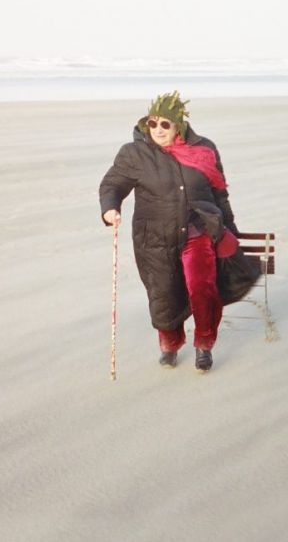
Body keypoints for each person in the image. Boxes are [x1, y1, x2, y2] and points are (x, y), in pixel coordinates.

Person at [99, 91, 255, 373]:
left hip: (198, 232)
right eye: (152, 123)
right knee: (164, 293)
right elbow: (112, 184)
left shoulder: (205, 150)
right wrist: (110, 208)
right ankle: (170, 345)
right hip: (154, 238)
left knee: (202, 288)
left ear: (179, 125)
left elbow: (219, 194)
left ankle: (204, 345)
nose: (157, 130)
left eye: (164, 124)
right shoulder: (134, 154)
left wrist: (230, 229)